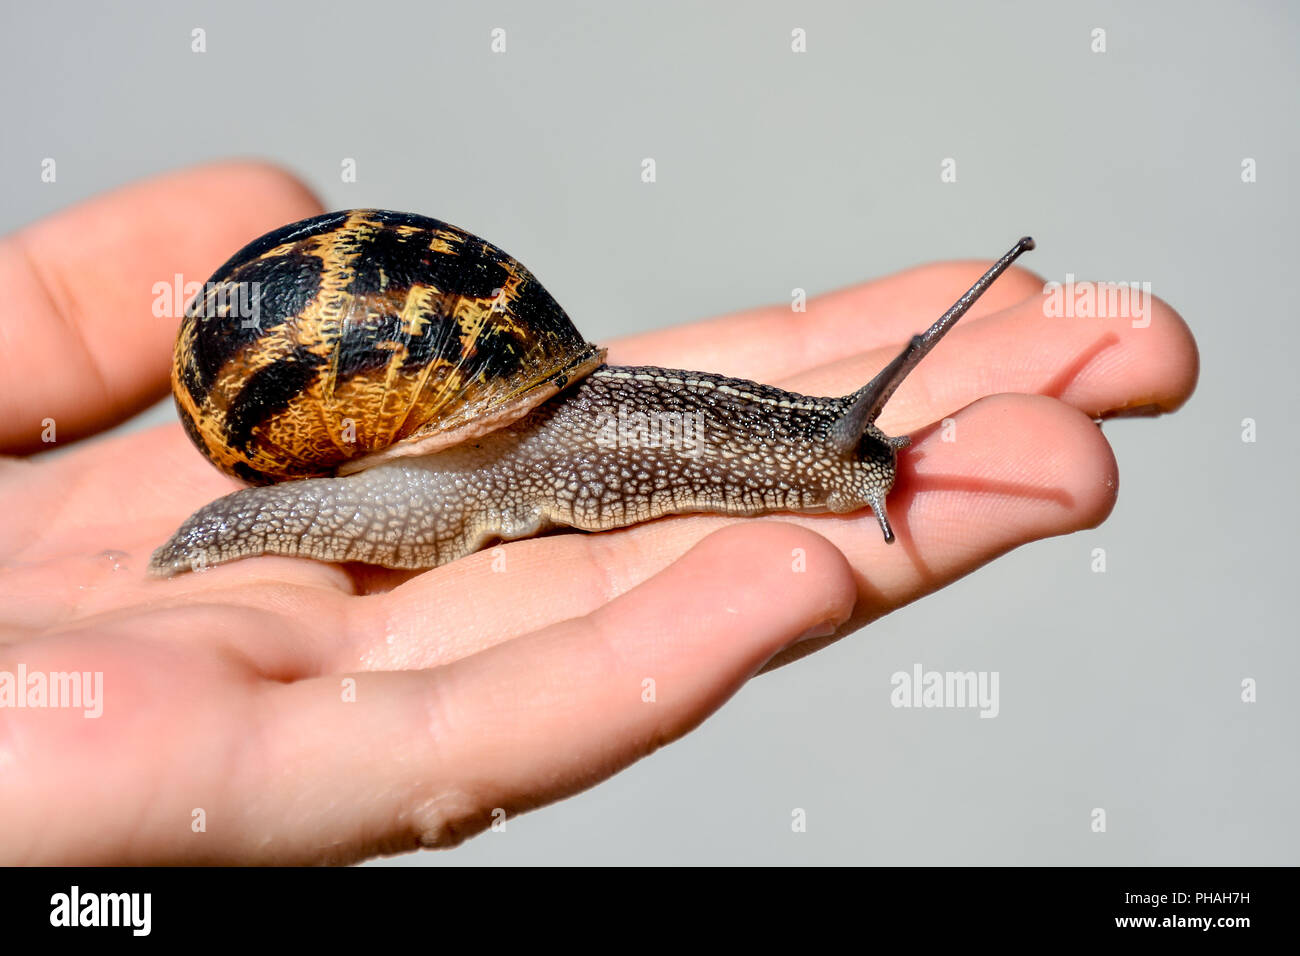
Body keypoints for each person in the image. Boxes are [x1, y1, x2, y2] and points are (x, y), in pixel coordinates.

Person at [0, 162, 1198, 864]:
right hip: (368, 440)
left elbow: (573, 408)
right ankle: (826, 457)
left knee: (740, 435)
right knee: (599, 444)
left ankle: (831, 454)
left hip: (452, 420)